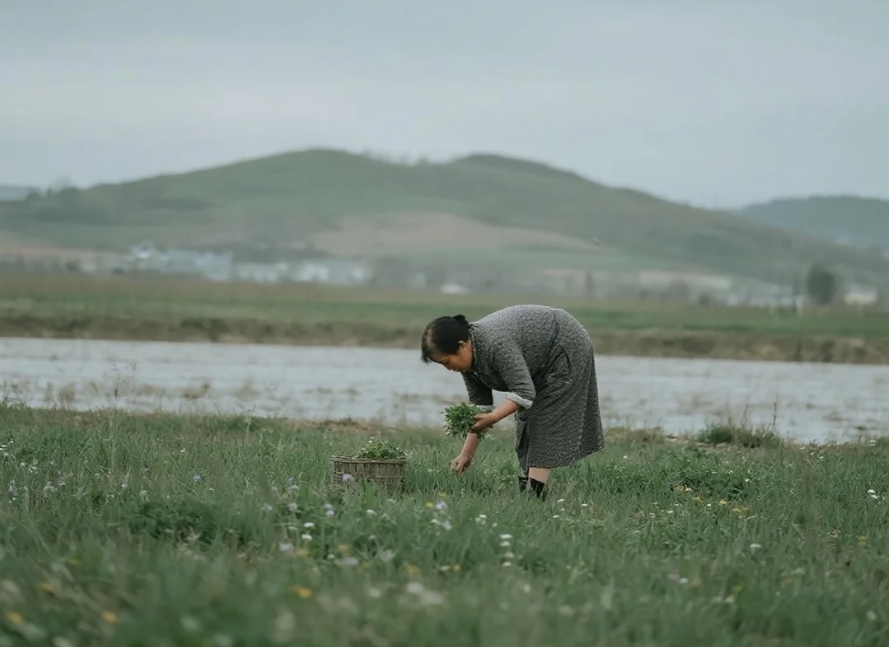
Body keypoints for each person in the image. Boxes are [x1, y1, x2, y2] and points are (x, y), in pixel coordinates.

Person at [421, 304, 605, 500]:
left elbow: (524, 392)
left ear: (461, 346)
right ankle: (532, 490)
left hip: (565, 344)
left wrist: (494, 417)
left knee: (544, 421)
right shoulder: (469, 364)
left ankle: (533, 497)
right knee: (525, 421)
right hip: (539, 358)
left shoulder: (496, 344)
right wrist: (466, 454)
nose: (448, 369)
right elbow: (481, 409)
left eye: (446, 362)